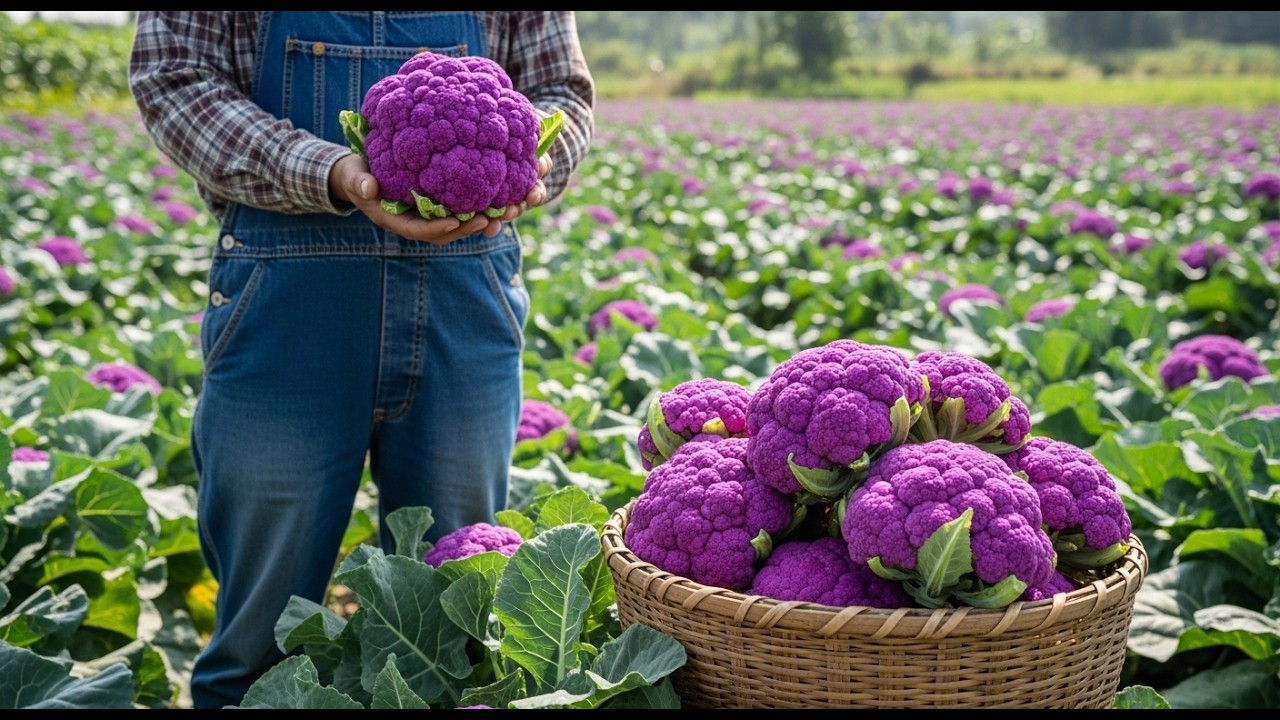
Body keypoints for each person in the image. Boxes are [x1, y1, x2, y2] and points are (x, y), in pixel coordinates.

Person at [128, 11, 595, 709]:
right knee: (259, 643)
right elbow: (172, 76)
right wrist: (333, 171)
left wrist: (529, 158)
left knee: (459, 617)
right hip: (285, 300)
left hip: (466, 300)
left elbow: (561, 88)